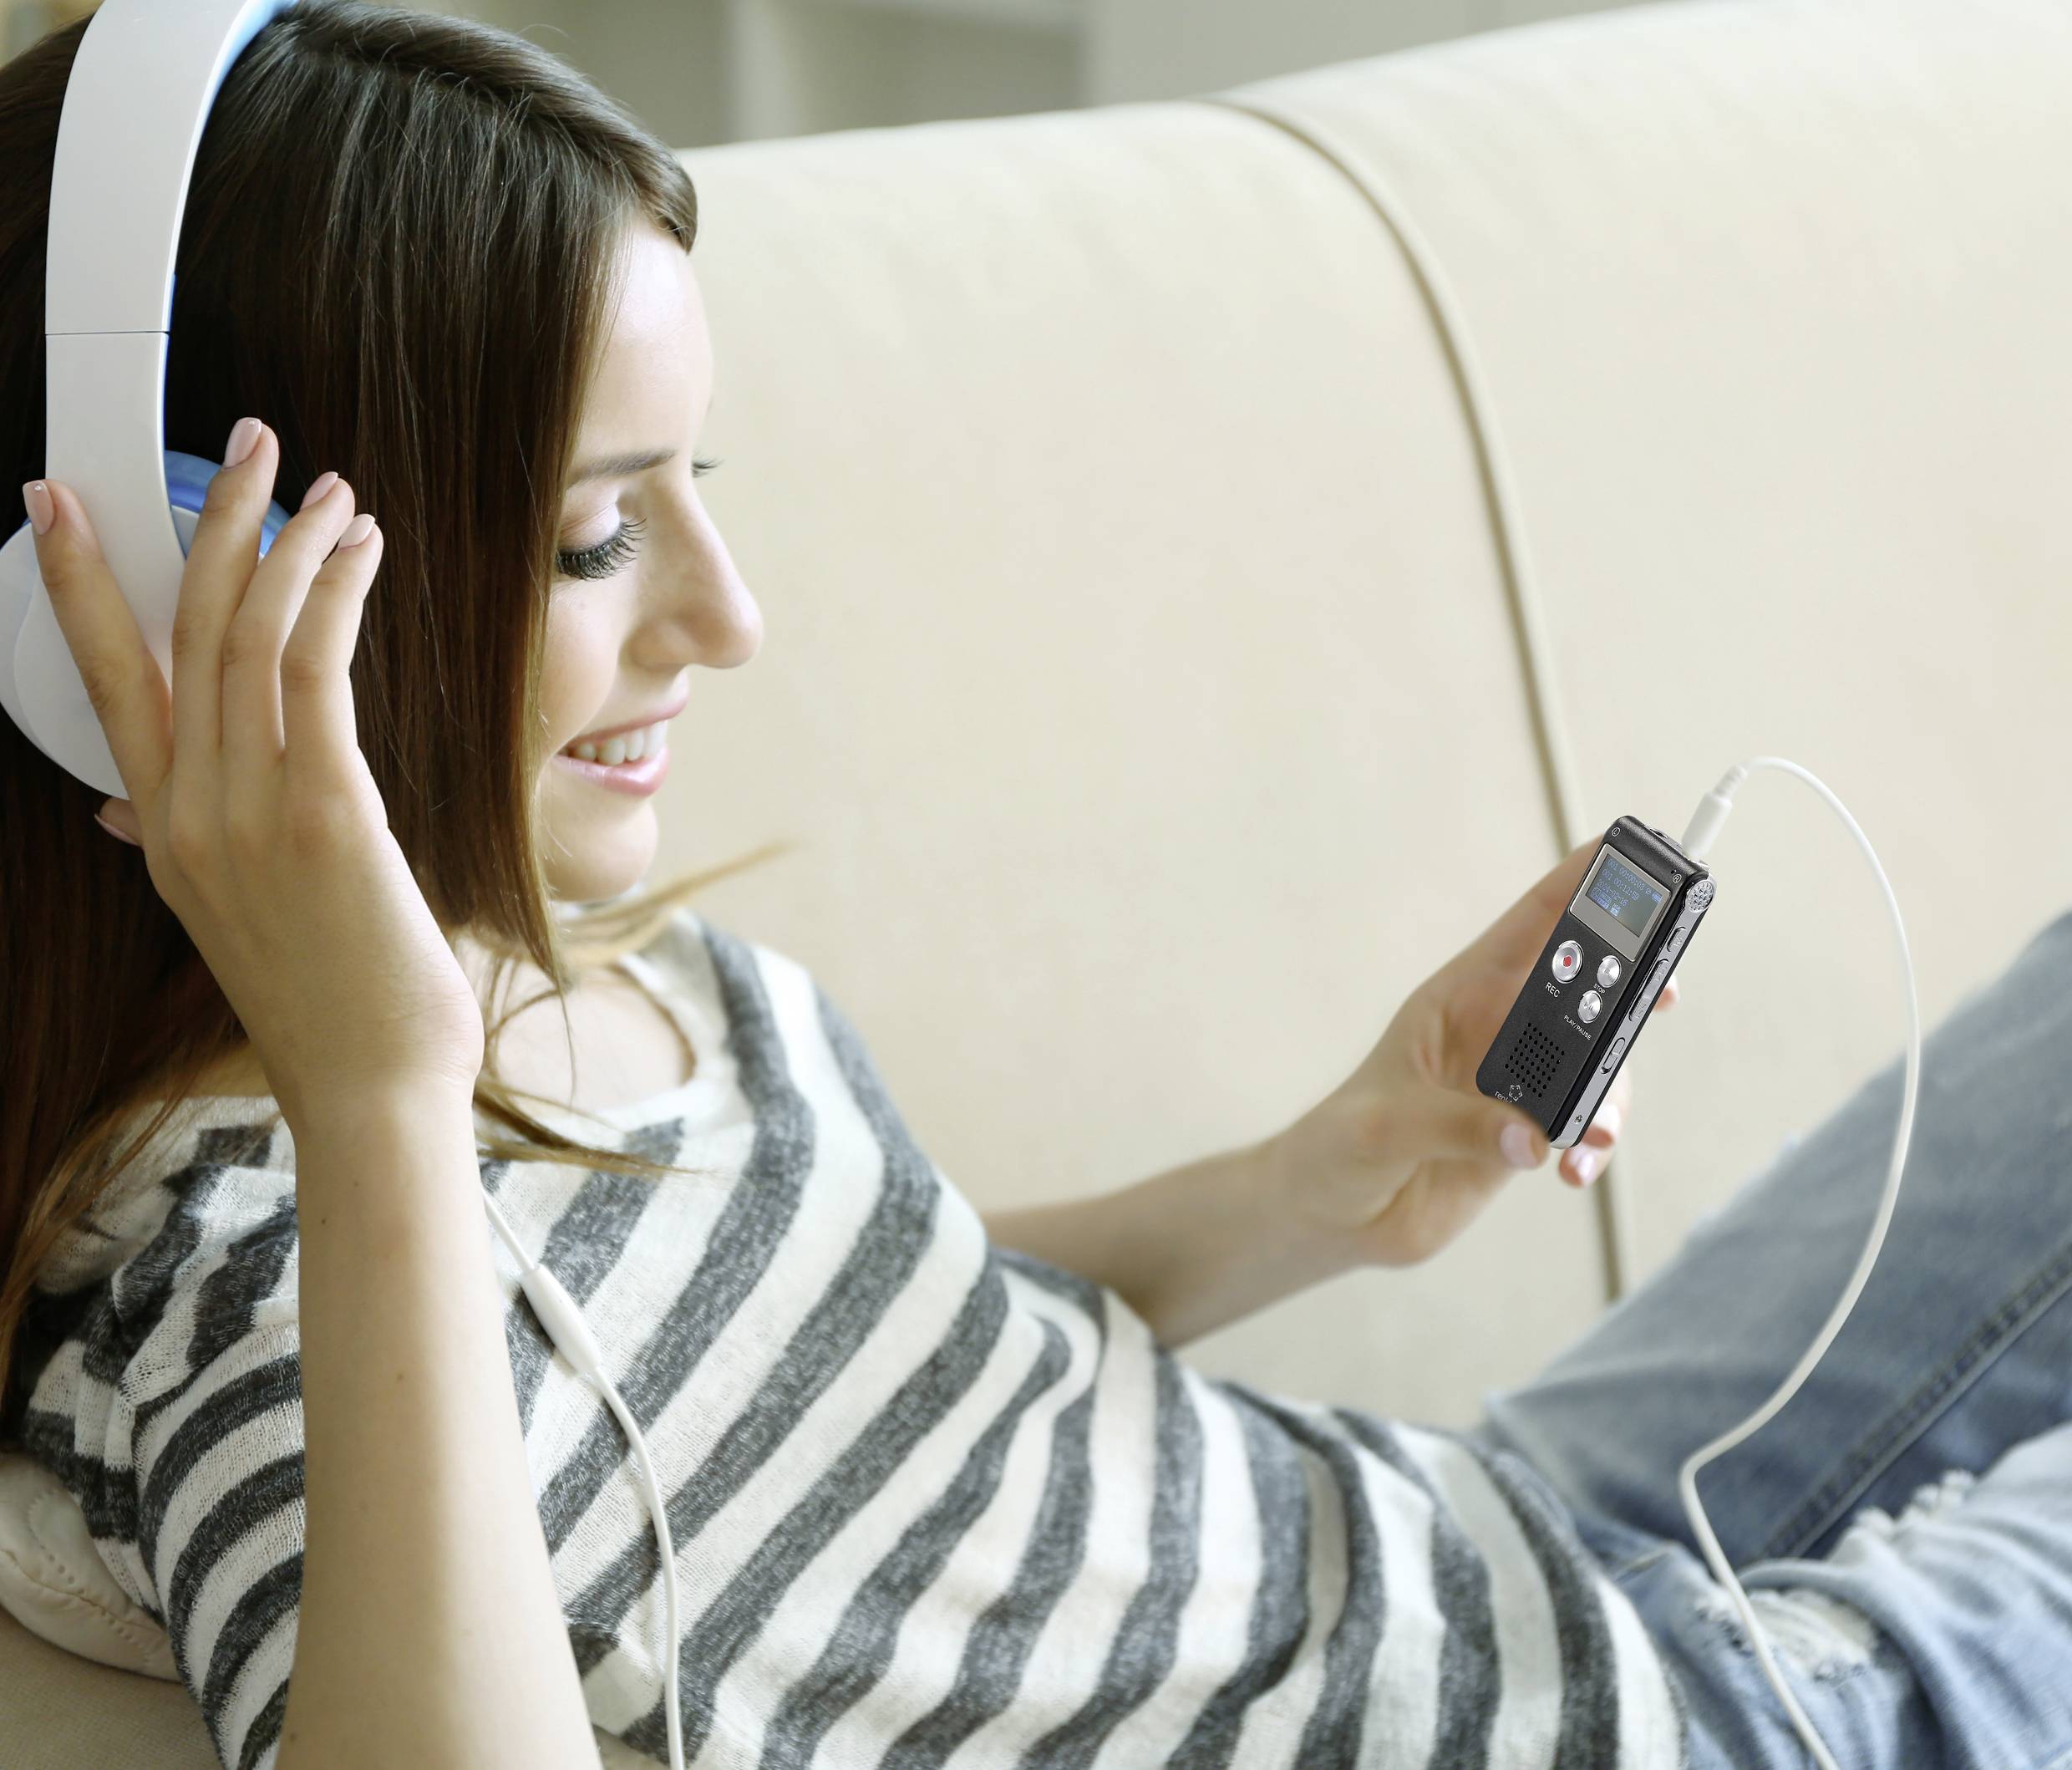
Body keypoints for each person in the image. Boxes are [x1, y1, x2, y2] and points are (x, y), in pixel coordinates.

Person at [1, 4, 2068, 1767]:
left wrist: (1313, 1181)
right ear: (188, 599)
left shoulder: (564, 933)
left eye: (692, 498)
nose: (727, 622)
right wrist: (373, 1094)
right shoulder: (251, 1287)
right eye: (595, 541)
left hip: (1474, 1560)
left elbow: (866, 1394)